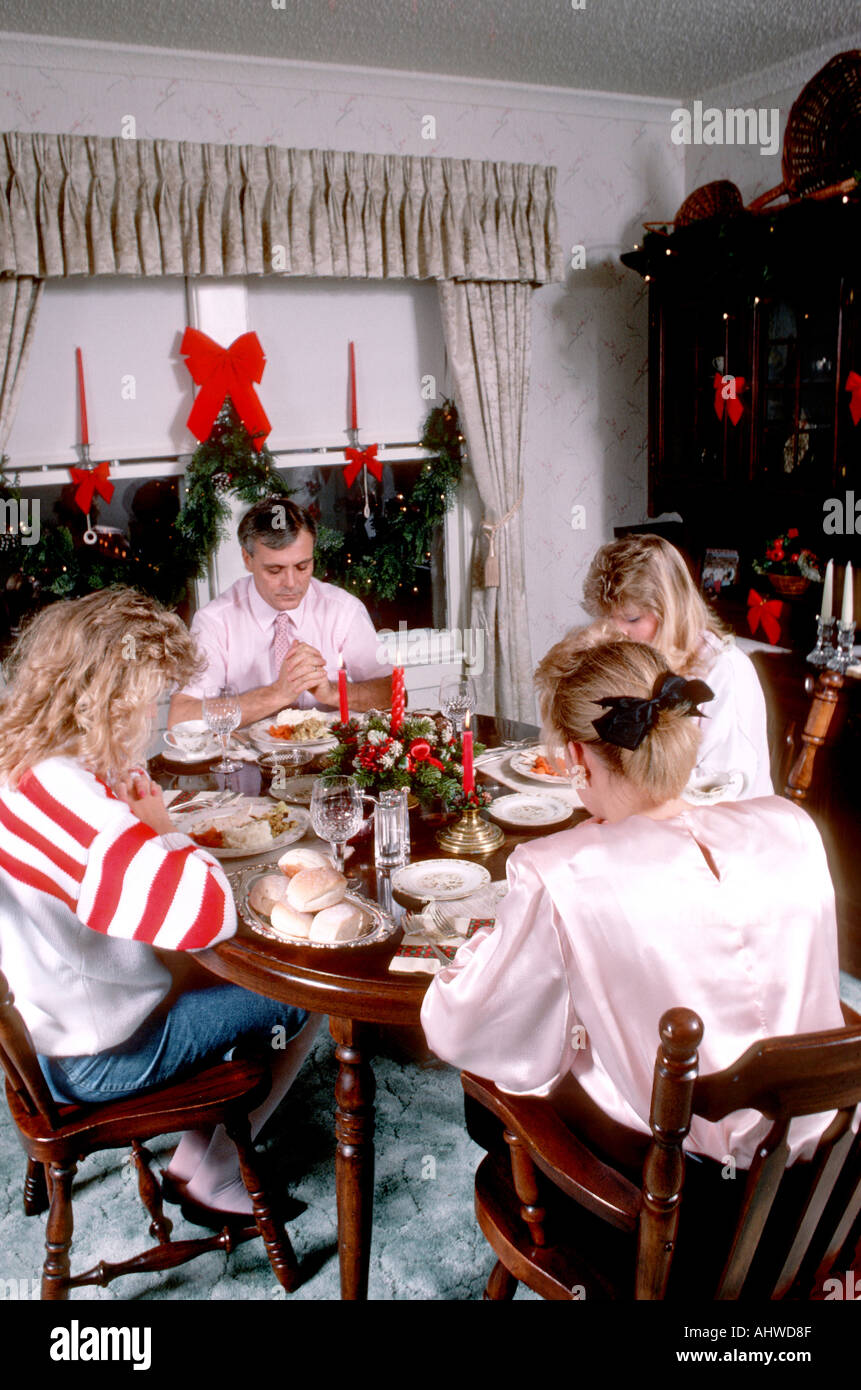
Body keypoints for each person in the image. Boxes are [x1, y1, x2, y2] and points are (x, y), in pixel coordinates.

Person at [421, 638, 845, 1169]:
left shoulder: (560, 870)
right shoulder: (791, 826)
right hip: (824, 1168)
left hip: (681, 1192)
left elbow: (457, 1029)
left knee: (490, 1088)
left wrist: (481, 947)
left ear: (577, 756)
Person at [0, 588, 320, 1224]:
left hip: (49, 1022)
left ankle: (194, 1152)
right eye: (145, 700)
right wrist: (158, 827)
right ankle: (218, 1174)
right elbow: (207, 913)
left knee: (218, 971)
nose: (149, 715)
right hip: (100, 1059)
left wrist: (131, 811)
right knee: (303, 986)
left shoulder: (23, 764)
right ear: (109, 700)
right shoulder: (82, 809)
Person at [169, 497, 393, 728]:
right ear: (248, 560)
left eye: (302, 567)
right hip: (248, 761)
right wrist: (277, 694)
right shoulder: (214, 621)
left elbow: (394, 692)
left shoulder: (342, 609)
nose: (291, 583)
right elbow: (181, 718)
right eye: (275, 570)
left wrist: (333, 692)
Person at [581, 532, 773, 801]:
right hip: (655, 816)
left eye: (632, 618)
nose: (617, 632)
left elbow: (717, 792)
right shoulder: (646, 658)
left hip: (724, 827)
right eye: (611, 619)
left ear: (669, 609)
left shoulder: (724, 671)